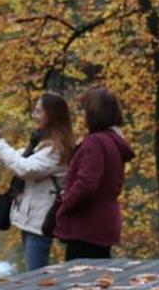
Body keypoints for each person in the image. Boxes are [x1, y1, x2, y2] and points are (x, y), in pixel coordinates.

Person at [0, 92, 75, 270]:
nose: (34, 116)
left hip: (40, 222)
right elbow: (18, 158)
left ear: (51, 115)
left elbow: (23, 168)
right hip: (32, 220)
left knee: (36, 275)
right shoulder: (43, 143)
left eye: (39, 112)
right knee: (35, 274)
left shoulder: (56, 149)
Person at [54, 87, 134, 260]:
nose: (83, 114)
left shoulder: (95, 142)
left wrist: (64, 205)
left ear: (93, 112)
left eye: (85, 109)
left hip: (87, 227)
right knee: (98, 282)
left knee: (79, 282)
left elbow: (87, 184)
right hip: (103, 224)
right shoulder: (111, 141)